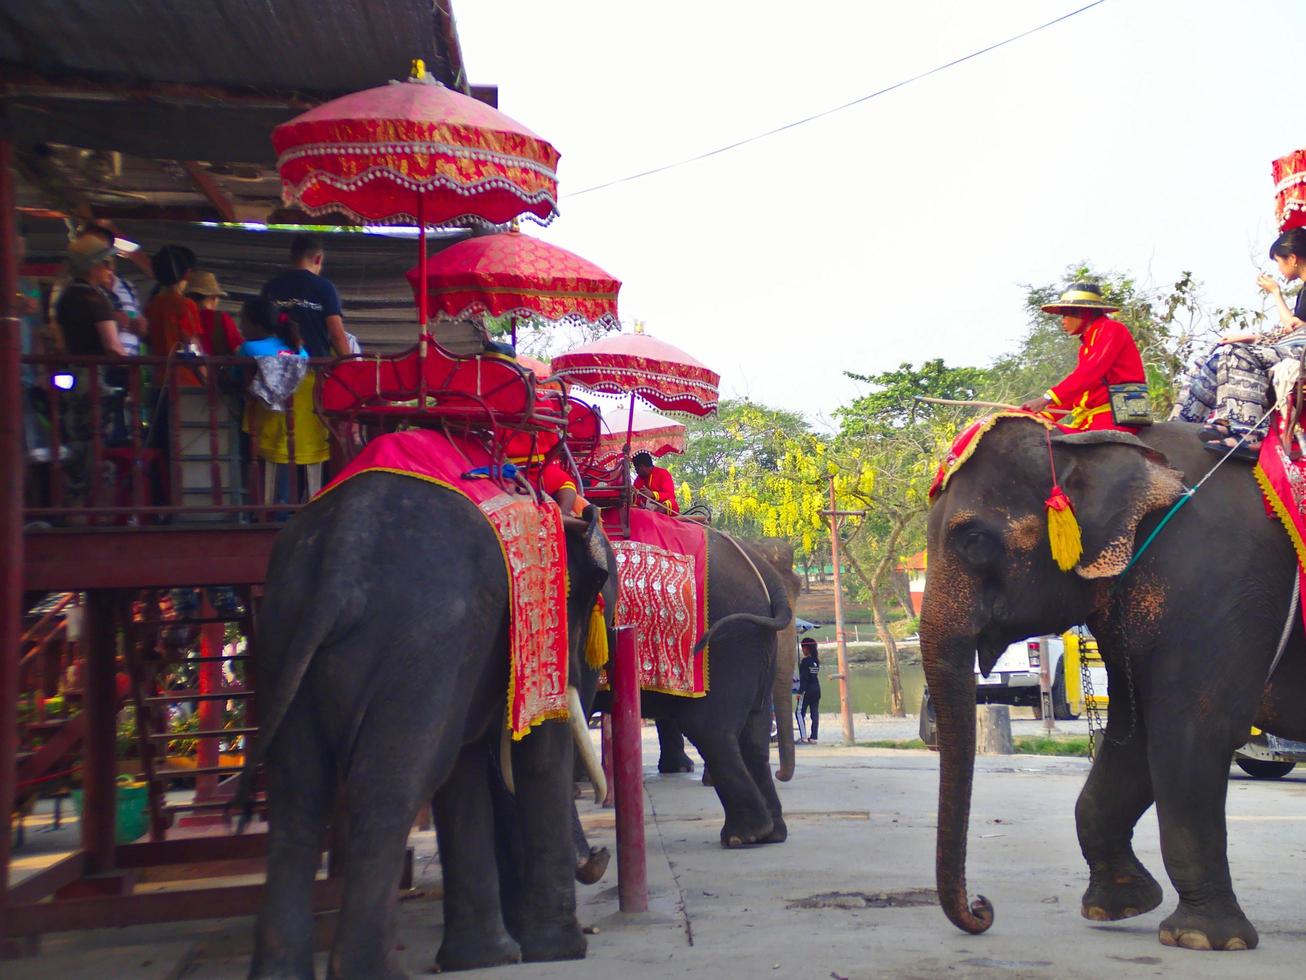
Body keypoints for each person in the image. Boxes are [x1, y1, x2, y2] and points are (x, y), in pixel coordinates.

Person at [1171, 228, 1306, 457]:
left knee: (1236, 353)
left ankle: (1249, 431)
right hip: (1292, 347)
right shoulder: (1303, 291)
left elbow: (1292, 326)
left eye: (1278, 262)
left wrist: (1275, 292)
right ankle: (1182, 424)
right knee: (1212, 357)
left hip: (1300, 352)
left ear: (1292, 259)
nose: (1279, 270)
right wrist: (1254, 338)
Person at [238, 297, 330, 505]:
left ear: (257, 325)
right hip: (308, 426)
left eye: (243, 321)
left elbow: (237, 381)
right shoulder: (298, 348)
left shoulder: (249, 349)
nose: (240, 327)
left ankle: (264, 507)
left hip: (270, 425)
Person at [1019, 282, 1147, 431]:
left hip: (1116, 417)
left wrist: (1046, 398)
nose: (1063, 321)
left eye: (1065, 315)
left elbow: (1089, 373)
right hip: (1093, 418)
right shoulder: (1087, 345)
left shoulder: (1111, 329)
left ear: (1082, 312)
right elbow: (1081, 389)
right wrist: (1039, 413)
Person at [260, 233, 351, 358]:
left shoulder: (270, 287)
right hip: (314, 366)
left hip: (275, 367)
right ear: (318, 258)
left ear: (291, 257)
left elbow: (260, 328)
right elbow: (336, 334)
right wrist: (351, 366)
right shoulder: (325, 288)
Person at [144, 245, 201, 359]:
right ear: (187, 274)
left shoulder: (150, 306)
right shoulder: (186, 304)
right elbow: (190, 341)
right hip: (184, 373)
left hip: (160, 372)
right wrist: (200, 359)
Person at [186, 271, 242, 355]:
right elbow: (239, 350)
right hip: (215, 367)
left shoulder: (181, 318)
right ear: (213, 297)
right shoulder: (221, 318)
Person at [797, 637, 821, 742]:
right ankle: (814, 737)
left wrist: (800, 692)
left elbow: (804, 679)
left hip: (807, 690)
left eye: (803, 647)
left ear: (806, 648)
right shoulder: (816, 661)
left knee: (799, 713)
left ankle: (803, 736)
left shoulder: (805, 661)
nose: (802, 650)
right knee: (814, 713)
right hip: (816, 689)